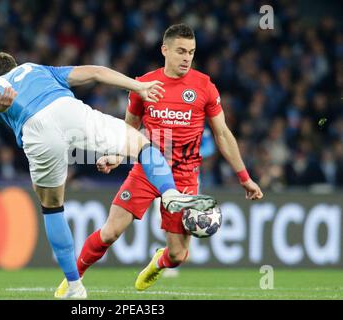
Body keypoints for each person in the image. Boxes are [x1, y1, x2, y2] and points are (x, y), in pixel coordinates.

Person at [0, 52, 217, 299]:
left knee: (52, 207)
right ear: (15, 66)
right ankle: (170, 192)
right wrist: (138, 86)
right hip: (67, 109)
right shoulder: (36, 69)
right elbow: (96, 72)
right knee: (141, 144)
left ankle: (74, 287)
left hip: (36, 129)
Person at [55, 24, 264, 296]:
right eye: (180, 51)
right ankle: (73, 280)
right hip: (149, 167)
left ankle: (159, 262)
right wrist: (118, 156)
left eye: (191, 52)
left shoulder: (204, 87)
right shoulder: (143, 85)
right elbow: (129, 129)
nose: (187, 57)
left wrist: (244, 178)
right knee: (109, 232)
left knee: (177, 255)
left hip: (184, 175)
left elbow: (222, 134)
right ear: (165, 50)